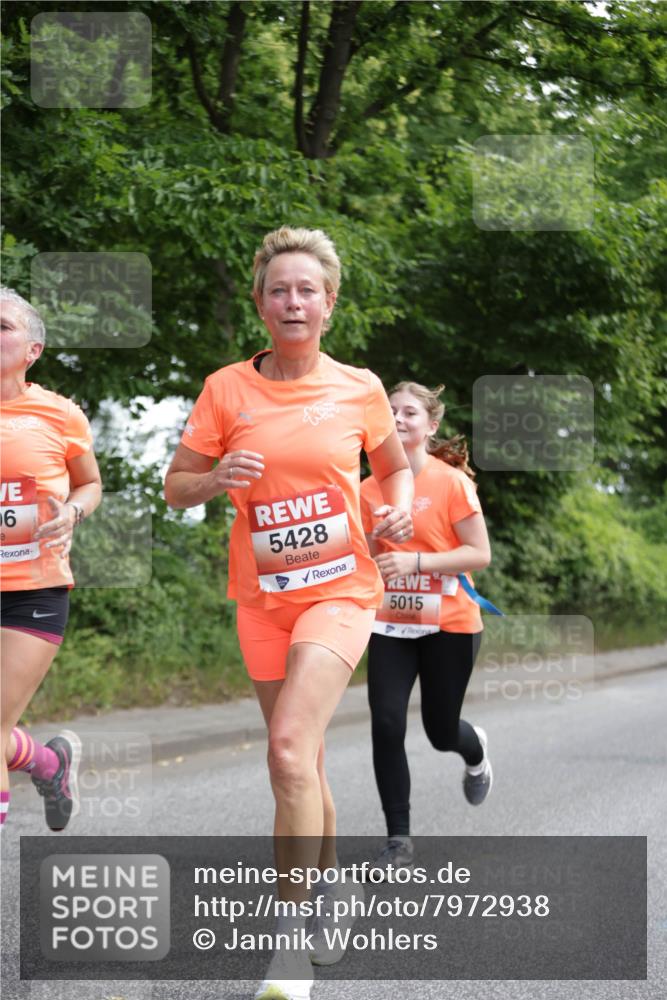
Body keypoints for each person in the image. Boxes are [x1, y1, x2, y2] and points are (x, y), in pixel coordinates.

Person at [164, 227, 413, 1000]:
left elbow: (395, 465)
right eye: (279, 289)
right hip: (261, 600)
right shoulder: (225, 390)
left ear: (329, 305)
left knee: (283, 749)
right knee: (298, 766)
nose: (293, 300)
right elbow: (176, 485)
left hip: (340, 591)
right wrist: (215, 480)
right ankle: (333, 888)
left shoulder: (359, 388)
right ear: (259, 303)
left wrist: (398, 511)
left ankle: (289, 944)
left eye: (307, 289)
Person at [361, 381, 498, 873]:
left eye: (409, 412)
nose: (397, 419)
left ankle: (474, 749)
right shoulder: (367, 489)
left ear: (430, 425)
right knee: (386, 723)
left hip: (451, 623)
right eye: (390, 411)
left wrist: (416, 562)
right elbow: (364, 557)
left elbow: (479, 554)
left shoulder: (451, 483)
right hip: (391, 623)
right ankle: (399, 841)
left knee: (440, 731)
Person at [1, 287, 102, 832]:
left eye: (2, 326)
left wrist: (73, 512)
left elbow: (89, 485)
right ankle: (50, 763)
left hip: (32, 589)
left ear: (32, 349)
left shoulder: (59, 414)